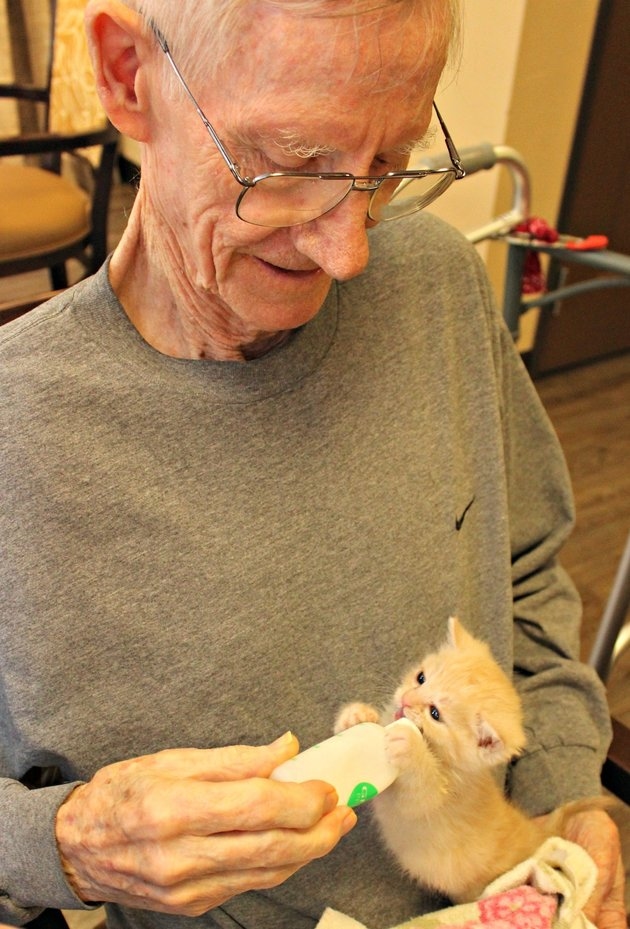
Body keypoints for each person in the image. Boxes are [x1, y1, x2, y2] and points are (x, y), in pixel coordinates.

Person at [0, 0, 625, 927]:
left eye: (387, 163)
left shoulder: (441, 289)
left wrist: (575, 800)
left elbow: (522, 576)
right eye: (290, 162)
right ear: (130, 76)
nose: (350, 250)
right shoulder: (19, 427)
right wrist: (67, 843)